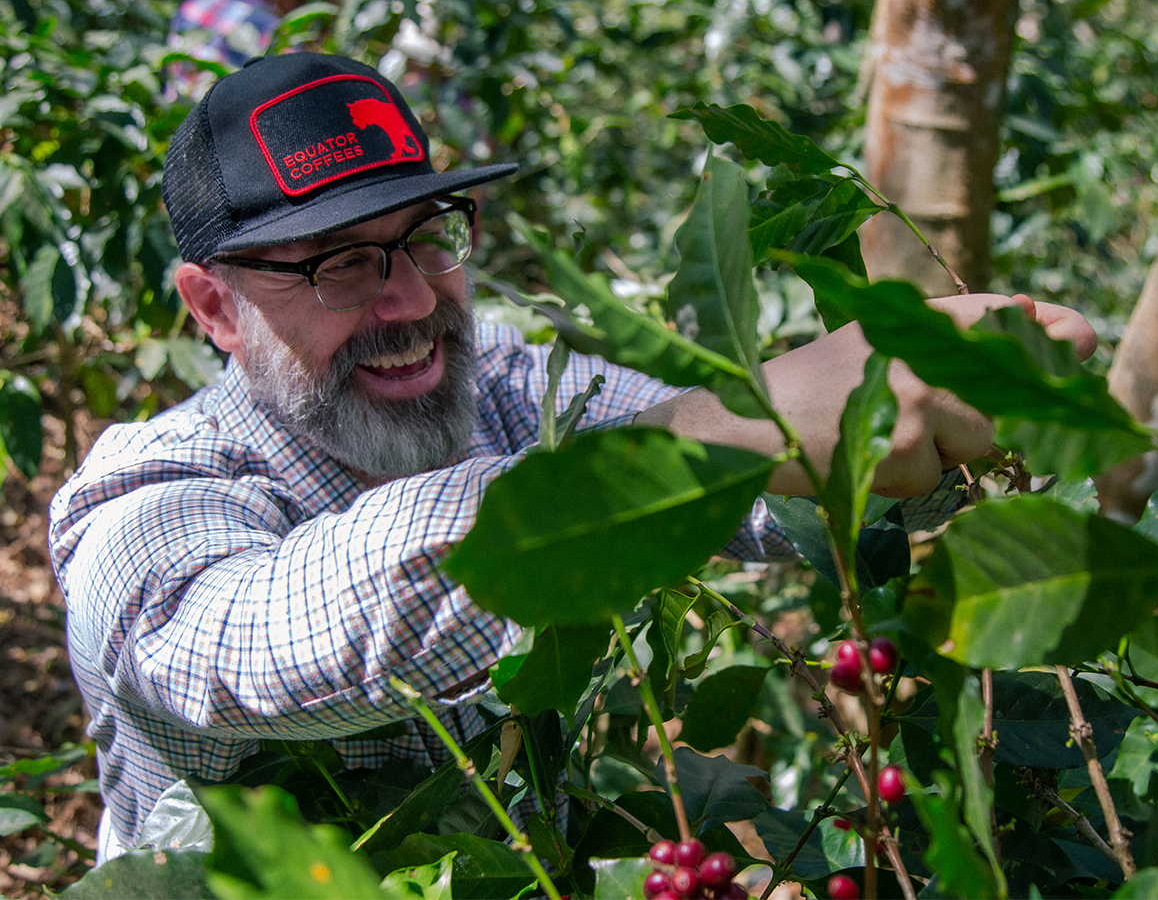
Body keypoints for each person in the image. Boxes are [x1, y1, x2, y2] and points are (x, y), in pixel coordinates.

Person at [49, 52, 1097, 863]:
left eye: (428, 238)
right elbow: (252, 647)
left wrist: (910, 431)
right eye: (341, 265)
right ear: (213, 306)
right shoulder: (146, 497)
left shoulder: (502, 386)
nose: (410, 299)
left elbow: (742, 493)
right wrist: (723, 429)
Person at [166, 0, 314, 100]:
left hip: (179, 118)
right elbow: (294, 88)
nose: (300, 4)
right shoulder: (271, 27)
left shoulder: (193, 5)